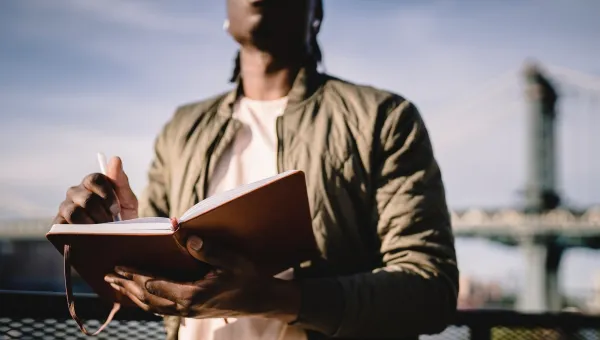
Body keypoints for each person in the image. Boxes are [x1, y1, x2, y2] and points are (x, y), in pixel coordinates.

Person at [53, 0, 459, 339]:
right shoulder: (183, 128)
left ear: (315, 10)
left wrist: (269, 297)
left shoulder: (382, 119)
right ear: (226, 14)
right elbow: (138, 291)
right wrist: (106, 235)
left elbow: (430, 290)